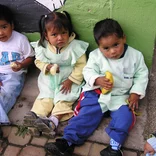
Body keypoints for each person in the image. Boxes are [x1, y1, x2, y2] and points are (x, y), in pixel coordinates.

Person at [44, 18, 149, 156]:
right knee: (86, 113)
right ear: (99, 46)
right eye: (106, 48)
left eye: (116, 45)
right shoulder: (95, 56)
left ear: (123, 38)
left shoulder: (135, 56)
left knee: (126, 117)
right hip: (97, 93)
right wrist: (97, 80)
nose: (112, 51)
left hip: (122, 96)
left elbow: (141, 75)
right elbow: (87, 72)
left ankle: (114, 147)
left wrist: (135, 93)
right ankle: (67, 142)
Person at [23, 11, 89, 136]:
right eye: (54, 34)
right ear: (46, 36)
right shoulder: (43, 47)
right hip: (49, 78)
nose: (60, 38)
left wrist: (71, 80)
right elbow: (38, 61)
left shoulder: (75, 47)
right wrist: (46, 66)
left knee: (63, 99)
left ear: (69, 31)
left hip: (68, 79)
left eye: (64, 33)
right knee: (45, 96)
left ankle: (53, 121)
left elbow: (81, 65)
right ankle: (36, 117)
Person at [0, 4, 34, 131]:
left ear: (12, 25)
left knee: (7, 93)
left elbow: (31, 57)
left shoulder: (20, 39)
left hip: (14, 74)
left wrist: (21, 65)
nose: (0, 33)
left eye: (4, 27)